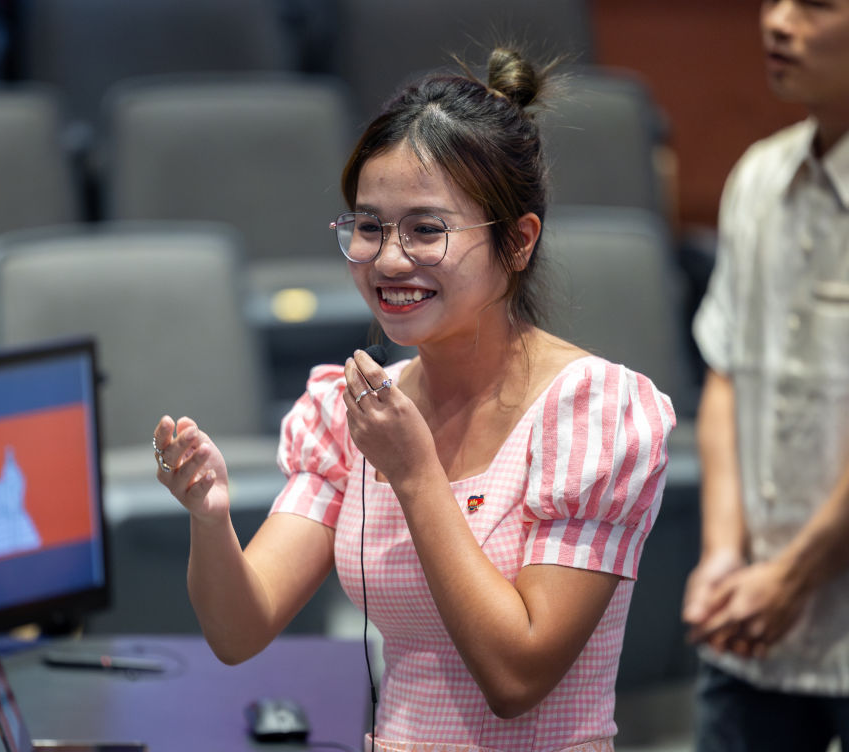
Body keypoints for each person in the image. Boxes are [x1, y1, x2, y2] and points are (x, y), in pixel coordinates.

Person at [153, 47, 676, 752]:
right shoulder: (355, 410)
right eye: (368, 226)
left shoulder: (592, 411)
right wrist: (210, 519)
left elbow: (516, 676)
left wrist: (417, 474)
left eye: (427, 229)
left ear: (518, 242)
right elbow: (239, 631)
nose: (389, 260)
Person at [681, 1, 849, 750]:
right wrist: (724, 553)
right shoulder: (757, 175)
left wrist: (794, 577)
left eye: (814, 3)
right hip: (749, 625)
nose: (777, 21)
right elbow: (726, 373)